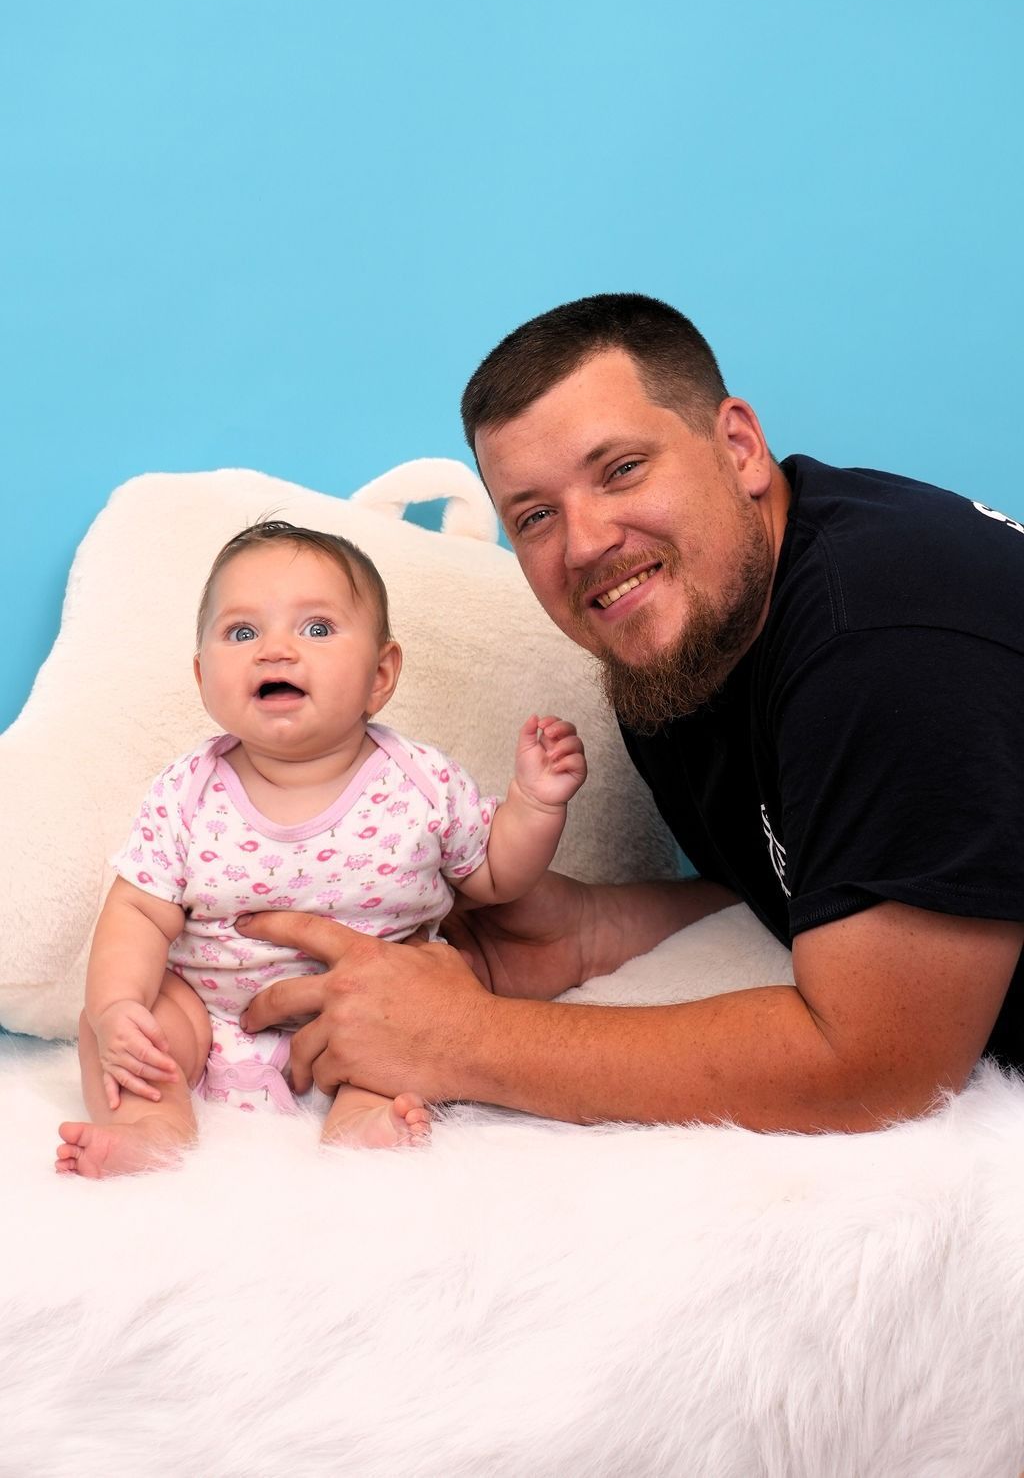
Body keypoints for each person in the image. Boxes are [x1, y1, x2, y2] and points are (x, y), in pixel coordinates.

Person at [233, 294, 1024, 1134]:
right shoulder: (685, 629)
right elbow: (820, 873)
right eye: (536, 516)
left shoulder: (885, 643)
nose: (584, 544)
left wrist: (464, 1037)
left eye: (621, 470)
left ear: (740, 447)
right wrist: (586, 929)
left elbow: (878, 1065)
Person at [55, 520, 586, 1177]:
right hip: (209, 1013)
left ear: (380, 675)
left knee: (403, 1048)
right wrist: (118, 1007)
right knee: (126, 1027)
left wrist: (535, 804)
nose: (274, 650)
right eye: (242, 633)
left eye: (315, 628)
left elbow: (496, 874)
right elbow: (138, 912)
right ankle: (150, 1128)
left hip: (368, 1018)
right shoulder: (187, 791)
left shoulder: (421, 782)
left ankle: (361, 1120)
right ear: (201, 676)